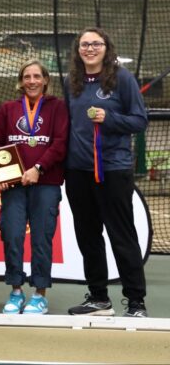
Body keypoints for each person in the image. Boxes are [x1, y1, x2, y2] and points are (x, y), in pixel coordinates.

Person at [64, 28, 149, 317]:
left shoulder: (121, 78)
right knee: (88, 236)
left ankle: (136, 302)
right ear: (78, 50)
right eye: (84, 44)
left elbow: (139, 120)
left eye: (95, 44)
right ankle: (99, 299)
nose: (89, 48)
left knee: (122, 235)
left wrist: (109, 118)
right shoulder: (71, 82)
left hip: (112, 170)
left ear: (105, 47)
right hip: (78, 172)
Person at [0, 59, 68, 314]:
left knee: (42, 239)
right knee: (11, 235)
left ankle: (39, 294)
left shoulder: (58, 108)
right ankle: (15, 291)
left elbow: (60, 143)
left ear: (45, 80)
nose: (31, 81)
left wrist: (38, 168)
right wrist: (5, 176)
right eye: (27, 77)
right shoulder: (8, 109)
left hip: (46, 183)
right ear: (21, 82)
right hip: (14, 186)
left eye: (36, 76)